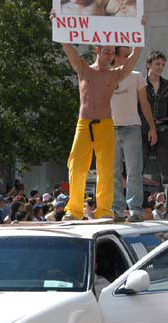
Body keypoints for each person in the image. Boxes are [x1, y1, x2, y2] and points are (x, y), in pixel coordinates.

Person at [51, 9, 145, 220]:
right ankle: (74, 210)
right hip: (84, 124)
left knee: (106, 169)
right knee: (76, 165)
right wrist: (58, 24)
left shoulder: (115, 74)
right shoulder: (84, 69)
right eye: (106, 51)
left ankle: (104, 210)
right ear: (97, 50)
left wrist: (140, 31)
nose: (110, 55)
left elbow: (132, 59)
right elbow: (70, 51)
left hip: (105, 124)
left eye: (112, 52)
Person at [110, 46, 157, 222]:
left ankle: (136, 210)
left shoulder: (137, 76)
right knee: (114, 171)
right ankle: (117, 210)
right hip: (110, 128)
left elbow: (144, 103)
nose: (129, 57)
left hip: (132, 128)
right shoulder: (108, 74)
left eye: (130, 54)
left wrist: (152, 127)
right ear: (116, 56)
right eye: (125, 54)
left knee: (134, 171)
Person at [143, 51, 168, 211]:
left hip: (163, 130)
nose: (161, 67)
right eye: (157, 64)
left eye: (163, 65)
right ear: (149, 64)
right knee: (138, 168)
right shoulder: (140, 83)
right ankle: (139, 206)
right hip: (143, 130)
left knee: (167, 171)